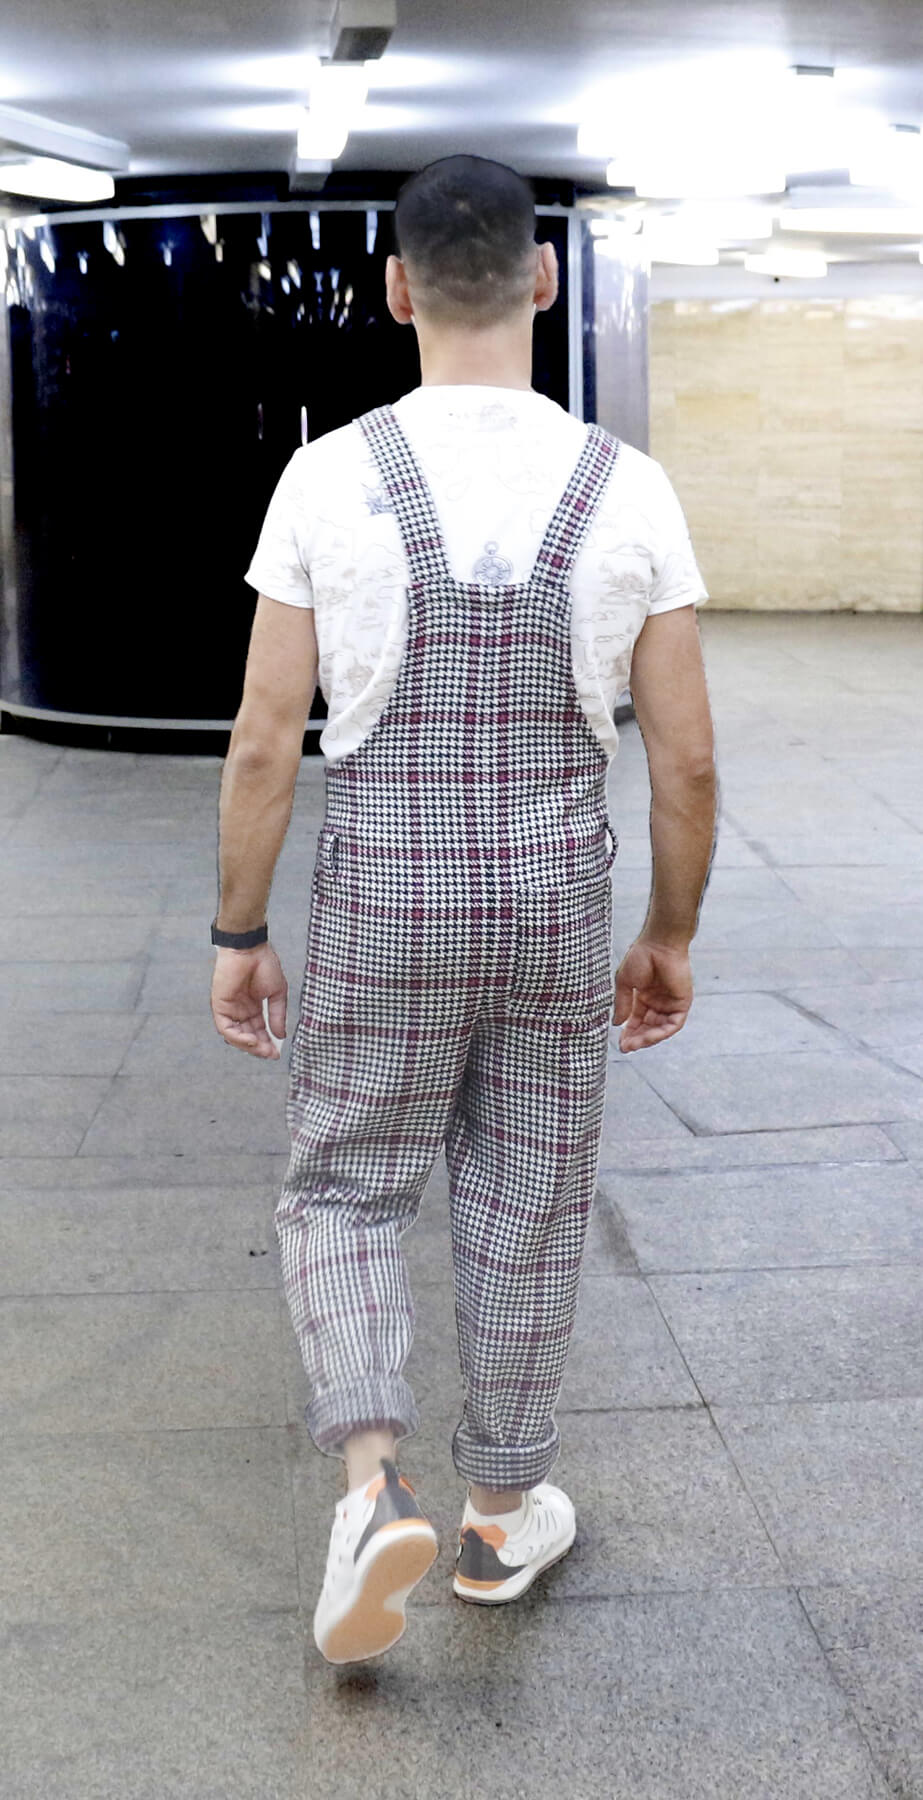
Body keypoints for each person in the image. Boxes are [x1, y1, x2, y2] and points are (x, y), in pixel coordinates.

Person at [210, 154, 718, 1666]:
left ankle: (374, 1488)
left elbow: (259, 735)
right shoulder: (625, 485)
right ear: (544, 283)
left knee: (347, 1185)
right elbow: (684, 753)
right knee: (530, 1192)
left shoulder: (329, 474)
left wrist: (241, 934)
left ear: (399, 290)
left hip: (386, 902)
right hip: (555, 903)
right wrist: (670, 928)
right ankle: (503, 1510)